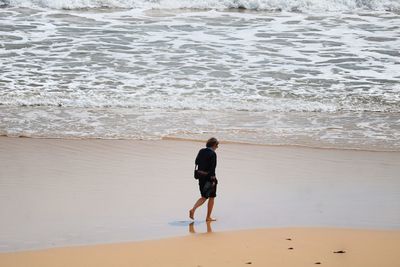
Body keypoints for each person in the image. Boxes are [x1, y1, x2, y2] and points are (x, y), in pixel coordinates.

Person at [189, 137, 219, 221]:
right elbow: (213, 168)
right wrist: (213, 180)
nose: (217, 147)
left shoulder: (201, 151)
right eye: (217, 145)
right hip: (209, 178)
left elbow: (196, 162)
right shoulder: (213, 154)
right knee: (211, 197)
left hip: (200, 176)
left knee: (203, 196)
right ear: (213, 145)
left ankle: (194, 209)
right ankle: (207, 217)